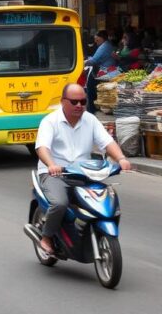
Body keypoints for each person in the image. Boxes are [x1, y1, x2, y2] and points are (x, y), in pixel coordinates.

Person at [33, 83, 132, 256]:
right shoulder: (50, 121)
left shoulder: (90, 120)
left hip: (83, 173)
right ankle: (46, 237)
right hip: (56, 174)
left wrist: (121, 159)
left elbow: (107, 142)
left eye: (83, 101)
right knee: (60, 203)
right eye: (74, 102)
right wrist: (51, 165)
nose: (79, 105)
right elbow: (42, 147)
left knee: (107, 200)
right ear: (63, 101)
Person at [84, 30, 115, 114]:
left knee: (90, 89)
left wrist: (84, 62)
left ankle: (92, 110)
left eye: (97, 40)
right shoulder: (107, 45)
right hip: (106, 71)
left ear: (102, 38)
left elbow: (94, 61)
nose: (95, 41)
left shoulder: (104, 46)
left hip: (103, 72)